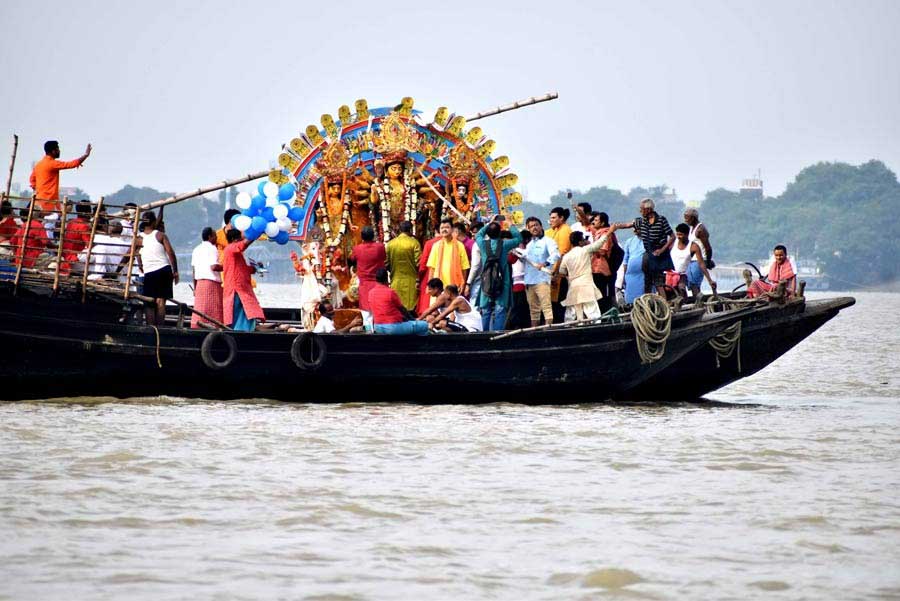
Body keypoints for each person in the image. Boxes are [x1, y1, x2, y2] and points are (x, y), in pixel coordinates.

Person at [467, 215, 522, 331]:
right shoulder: (505, 244)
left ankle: (484, 334)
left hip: (486, 280)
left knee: (485, 309)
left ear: (488, 232)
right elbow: (518, 239)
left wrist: (489, 223)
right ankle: (497, 333)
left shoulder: (482, 244)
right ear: (500, 233)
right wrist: (510, 223)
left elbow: (478, 235)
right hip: (503, 279)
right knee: (500, 309)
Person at [615, 198, 674, 296]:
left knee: (658, 282)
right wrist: (615, 227)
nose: (640, 211)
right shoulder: (642, 221)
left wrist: (662, 250)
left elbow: (672, 237)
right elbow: (627, 225)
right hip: (648, 254)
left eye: (642, 209)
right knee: (647, 281)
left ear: (648, 209)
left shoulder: (661, 220)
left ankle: (663, 303)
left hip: (659, 255)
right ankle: (648, 301)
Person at [559, 226, 619, 321]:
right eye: (583, 240)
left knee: (573, 311)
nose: (585, 241)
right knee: (592, 311)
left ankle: (573, 326)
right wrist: (609, 232)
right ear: (580, 242)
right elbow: (599, 244)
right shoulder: (585, 250)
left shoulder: (566, 256)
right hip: (586, 285)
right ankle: (596, 326)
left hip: (573, 286)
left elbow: (562, 272)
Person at [136, 211, 178, 326]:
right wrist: (175, 271)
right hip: (164, 270)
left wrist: (140, 265)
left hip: (150, 272)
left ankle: (151, 329)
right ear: (153, 222)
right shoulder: (160, 235)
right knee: (160, 301)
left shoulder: (138, 238)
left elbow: (133, 254)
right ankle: (159, 329)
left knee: (149, 302)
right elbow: (171, 253)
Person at [29, 140, 92, 216]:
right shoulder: (52, 163)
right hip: (49, 202)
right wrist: (85, 155)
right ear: (53, 151)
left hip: (39, 201)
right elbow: (71, 164)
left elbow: (32, 180)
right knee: (53, 218)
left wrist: (39, 189)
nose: (59, 151)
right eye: (58, 149)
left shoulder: (39, 165)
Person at [222, 228, 265, 331]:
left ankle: (240, 330)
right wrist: (256, 233)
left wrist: (254, 268)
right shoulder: (230, 248)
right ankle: (239, 331)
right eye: (239, 238)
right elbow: (243, 245)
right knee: (239, 312)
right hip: (236, 287)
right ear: (234, 239)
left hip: (240, 286)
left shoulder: (235, 253)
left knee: (244, 310)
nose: (241, 240)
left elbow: (242, 268)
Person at [520, 216, 559, 327]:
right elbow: (526, 261)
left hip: (542, 279)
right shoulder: (529, 245)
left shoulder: (548, 241)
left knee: (546, 307)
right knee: (533, 309)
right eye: (531, 226)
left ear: (541, 226)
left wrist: (545, 263)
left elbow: (556, 254)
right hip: (529, 280)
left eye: (536, 225)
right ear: (528, 229)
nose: (534, 228)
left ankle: (548, 331)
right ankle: (534, 331)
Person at [370, 267, 429, 335]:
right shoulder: (390, 292)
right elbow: (402, 309)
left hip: (377, 327)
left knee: (409, 325)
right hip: (392, 327)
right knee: (424, 325)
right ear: (386, 278)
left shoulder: (371, 293)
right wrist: (413, 319)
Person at [669, 223, 716, 299]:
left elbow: (701, 263)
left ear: (687, 234)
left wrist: (710, 280)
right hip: (670, 274)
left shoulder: (693, 246)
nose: (679, 237)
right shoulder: (674, 242)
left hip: (682, 275)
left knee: (682, 288)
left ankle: (691, 301)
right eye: (677, 234)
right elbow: (665, 253)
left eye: (681, 235)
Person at [190, 227, 224, 329]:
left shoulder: (196, 249)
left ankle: (198, 327)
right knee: (214, 310)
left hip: (199, 284)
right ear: (210, 237)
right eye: (215, 236)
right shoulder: (212, 249)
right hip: (211, 284)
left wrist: (195, 288)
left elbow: (194, 271)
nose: (217, 237)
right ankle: (215, 329)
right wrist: (227, 266)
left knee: (200, 309)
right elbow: (214, 267)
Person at [385, 220, 420, 311]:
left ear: (400, 230)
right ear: (410, 230)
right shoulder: (414, 243)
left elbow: (386, 263)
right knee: (410, 310)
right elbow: (418, 263)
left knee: (397, 307)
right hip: (411, 282)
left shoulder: (390, 244)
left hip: (395, 281)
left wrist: (392, 270)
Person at [350, 226, 387, 313]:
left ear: (362, 237)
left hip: (364, 284)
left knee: (366, 313)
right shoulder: (380, 247)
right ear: (373, 236)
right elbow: (384, 257)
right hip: (378, 282)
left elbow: (352, 259)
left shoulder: (357, 249)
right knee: (379, 309)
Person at [425, 218, 470, 290]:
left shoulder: (459, 246)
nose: (444, 230)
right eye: (442, 228)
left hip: (454, 286)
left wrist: (463, 283)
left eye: (447, 227)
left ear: (452, 229)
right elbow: (432, 268)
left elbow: (464, 267)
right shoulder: (436, 246)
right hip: (438, 286)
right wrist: (429, 285)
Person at [588, 211, 618, 312]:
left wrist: (589, 249)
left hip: (601, 269)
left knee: (602, 294)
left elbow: (603, 251)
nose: (594, 222)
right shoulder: (597, 233)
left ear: (602, 223)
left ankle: (605, 315)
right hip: (595, 268)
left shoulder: (605, 234)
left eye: (596, 220)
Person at [546, 207, 572, 323]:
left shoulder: (565, 230)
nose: (551, 220)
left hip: (559, 274)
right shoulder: (554, 230)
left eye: (553, 218)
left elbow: (561, 253)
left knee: (558, 304)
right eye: (550, 218)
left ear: (561, 218)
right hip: (552, 272)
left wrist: (554, 272)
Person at [683, 207, 714, 298]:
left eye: (687, 218)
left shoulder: (701, 230)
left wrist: (708, 261)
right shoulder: (691, 228)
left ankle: (699, 302)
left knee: (695, 284)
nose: (685, 220)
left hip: (700, 259)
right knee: (690, 283)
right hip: (692, 260)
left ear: (693, 218)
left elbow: (708, 248)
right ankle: (696, 301)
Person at [505, 229, 532, 330]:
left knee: (520, 309)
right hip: (520, 285)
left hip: (522, 285)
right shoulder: (516, 252)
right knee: (521, 309)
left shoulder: (519, 251)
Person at [415, 231, 442, 315]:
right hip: (446, 275)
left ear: (435, 231)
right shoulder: (455, 244)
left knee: (427, 302)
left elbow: (423, 264)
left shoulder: (429, 243)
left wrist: (419, 278)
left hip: (430, 274)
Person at [621, 234, 646, 304]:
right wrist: (624, 276)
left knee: (645, 297)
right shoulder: (629, 241)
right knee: (631, 297)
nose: (634, 230)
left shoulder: (649, 239)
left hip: (645, 273)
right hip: (631, 274)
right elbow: (625, 261)